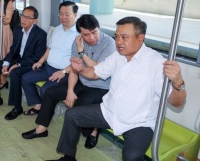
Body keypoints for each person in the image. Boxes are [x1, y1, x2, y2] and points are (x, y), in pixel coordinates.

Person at [52, 16, 187, 161]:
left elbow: (177, 103)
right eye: (116, 37)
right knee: (72, 115)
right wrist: (80, 69)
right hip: (109, 112)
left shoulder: (157, 63)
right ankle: (68, 158)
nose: (118, 42)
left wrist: (178, 83)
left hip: (138, 122)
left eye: (124, 37)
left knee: (131, 156)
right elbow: (95, 72)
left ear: (140, 38)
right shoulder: (117, 56)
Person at [22, 14, 115, 150]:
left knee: (77, 111)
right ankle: (41, 129)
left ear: (99, 28)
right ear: (80, 34)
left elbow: (96, 69)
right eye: (86, 35)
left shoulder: (109, 43)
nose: (92, 38)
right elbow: (74, 69)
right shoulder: (76, 41)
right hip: (82, 81)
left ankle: (94, 131)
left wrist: (81, 51)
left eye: (94, 32)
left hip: (100, 86)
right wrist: (70, 90)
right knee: (50, 92)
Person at [21, 1, 79, 115]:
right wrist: (40, 61)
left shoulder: (79, 35)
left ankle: (46, 113)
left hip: (64, 73)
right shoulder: (57, 29)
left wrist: (63, 72)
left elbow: (78, 61)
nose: (63, 17)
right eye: (61, 14)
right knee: (25, 78)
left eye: (67, 14)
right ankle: (38, 105)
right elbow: (49, 48)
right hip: (48, 68)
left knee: (45, 90)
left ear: (75, 15)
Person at [0, 6, 47, 121]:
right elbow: (13, 50)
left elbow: (37, 56)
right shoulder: (17, 30)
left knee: (15, 73)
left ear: (34, 21)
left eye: (28, 17)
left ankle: (17, 108)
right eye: (23, 16)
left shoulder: (41, 34)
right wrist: (6, 63)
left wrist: (18, 65)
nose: (23, 19)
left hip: (31, 63)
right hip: (18, 59)